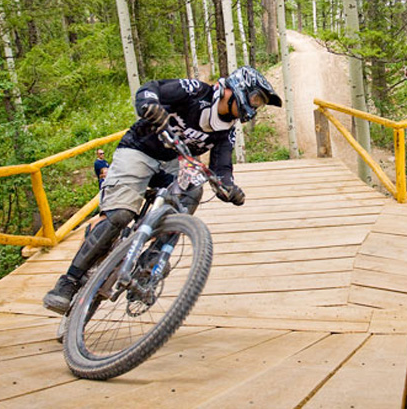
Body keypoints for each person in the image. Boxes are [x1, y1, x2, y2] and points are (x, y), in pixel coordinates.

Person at [43, 66, 282, 314]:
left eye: (260, 103)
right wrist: (150, 105)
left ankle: (151, 263)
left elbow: (221, 165)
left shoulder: (227, 130)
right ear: (236, 90)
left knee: (192, 192)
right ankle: (68, 282)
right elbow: (151, 88)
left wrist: (228, 187)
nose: (255, 107)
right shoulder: (196, 92)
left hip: (171, 163)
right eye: (256, 99)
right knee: (121, 215)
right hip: (139, 149)